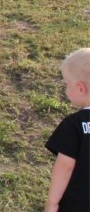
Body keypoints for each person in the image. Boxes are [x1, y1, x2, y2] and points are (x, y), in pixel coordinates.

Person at [46, 48, 90, 211]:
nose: (65, 90)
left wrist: (52, 203)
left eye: (67, 84)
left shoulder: (74, 125)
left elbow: (65, 167)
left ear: (80, 88)